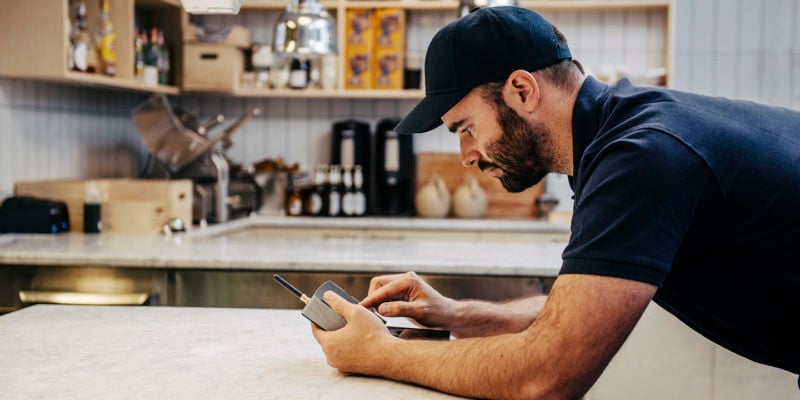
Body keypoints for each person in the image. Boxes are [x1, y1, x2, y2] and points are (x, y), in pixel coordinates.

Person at [311, 6, 800, 399]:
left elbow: (546, 377)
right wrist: (454, 314)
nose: (466, 155)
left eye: (465, 128)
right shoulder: (621, 135)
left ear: (522, 90)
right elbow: (581, 309)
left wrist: (379, 354)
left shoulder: (641, 156)